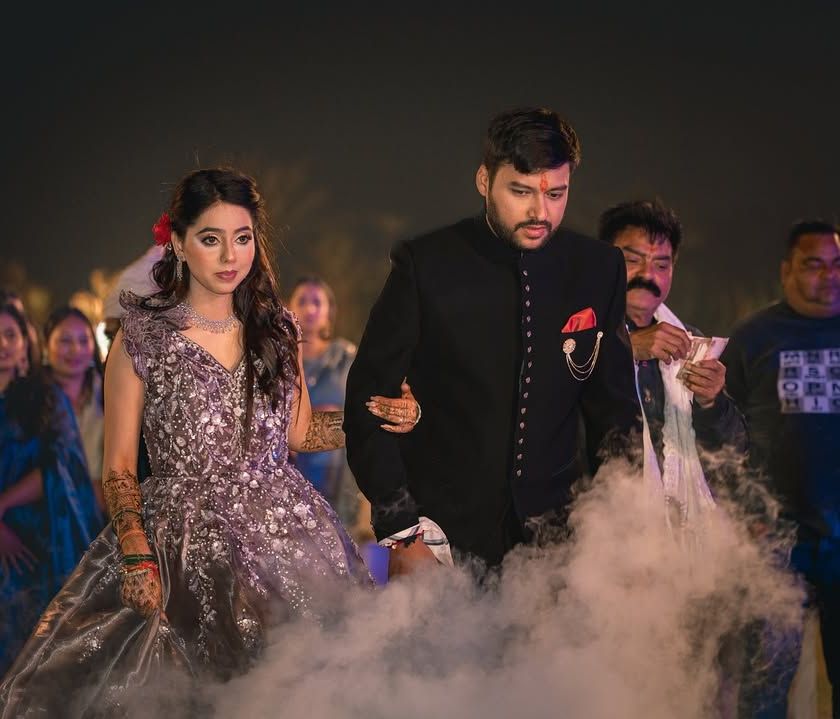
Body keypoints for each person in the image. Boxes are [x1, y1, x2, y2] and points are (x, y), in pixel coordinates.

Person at [0, 168, 416, 715]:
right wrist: (136, 554)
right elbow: (120, 466)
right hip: (179, 546)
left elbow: (300, 432)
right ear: (178, 242)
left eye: (242, 238)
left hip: (285, 538)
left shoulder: (278, 329)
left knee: (307, 687)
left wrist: (375, 415)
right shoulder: (141, 336)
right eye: (210, 239)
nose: (229, 256)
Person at [345, 107, 642, 577]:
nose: (540, 212)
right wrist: (401, 529)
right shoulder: (427, 263)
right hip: (440, 541)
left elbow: (616, 414)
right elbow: (366, 401)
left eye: (556, 194)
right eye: (520, 192)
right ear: (484, 180)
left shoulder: (598, 268)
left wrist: (615, 524)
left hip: (560, 546)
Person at [722, 220, 840, 717]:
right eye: (814, 265)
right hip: (775, 539)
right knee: (766, 688)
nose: (829, 276)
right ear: (787, 270)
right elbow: (719, 432)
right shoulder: (754, 337)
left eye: (837, 264)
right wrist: (745, 513)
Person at [597, 200, 748, 537]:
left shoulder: (689, 343)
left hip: (675, 540)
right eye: (632, 260)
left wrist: (712, 402)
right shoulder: (574, 335)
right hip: (598, 529)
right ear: (603, 261)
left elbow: (731, 455)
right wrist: (624, 349)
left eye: (661, 264)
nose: (648, 275)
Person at [0, 302, 102, 675]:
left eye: (10, 334)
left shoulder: (44, 398)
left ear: (24, 343)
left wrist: (2, 505)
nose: (2, 344)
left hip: (34, 544)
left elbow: (61, 469)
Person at [43, 306, 106, 510]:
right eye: (65, 341)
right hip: (49, 510)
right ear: (46, 345)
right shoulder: (32, 398)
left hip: (103, 509)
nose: (76, 350)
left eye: (83, 340)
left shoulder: (108, 392)